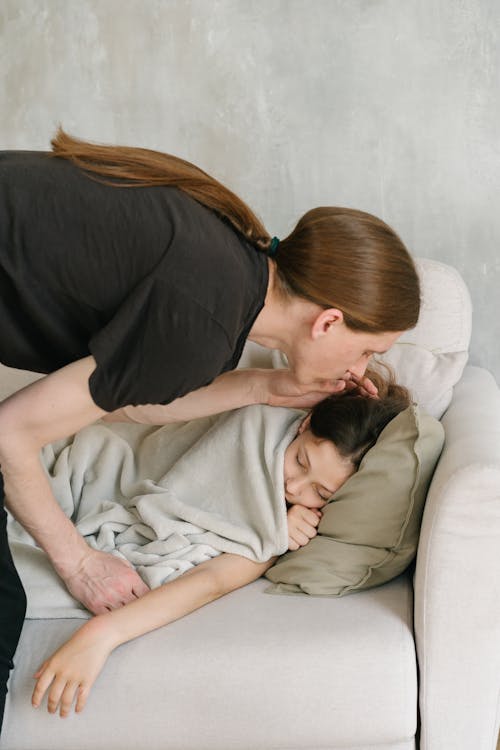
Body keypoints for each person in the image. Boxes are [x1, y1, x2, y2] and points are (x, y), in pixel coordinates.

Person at [0, 130, 420, 729]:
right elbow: (11, 432)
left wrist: (269, 388)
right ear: (328, 321)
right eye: (367, 351)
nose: (358, 373)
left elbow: (128, 402)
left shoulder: (230, 272)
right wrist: (79, 563)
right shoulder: (204, 318)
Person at [26, 375, 411, 717]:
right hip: (88, 463)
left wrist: (102, 635)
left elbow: (213, 581)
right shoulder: (260, 421)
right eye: (300, 461)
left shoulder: (281, 530)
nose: (294, 487)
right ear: (305, 424)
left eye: (321, 493)